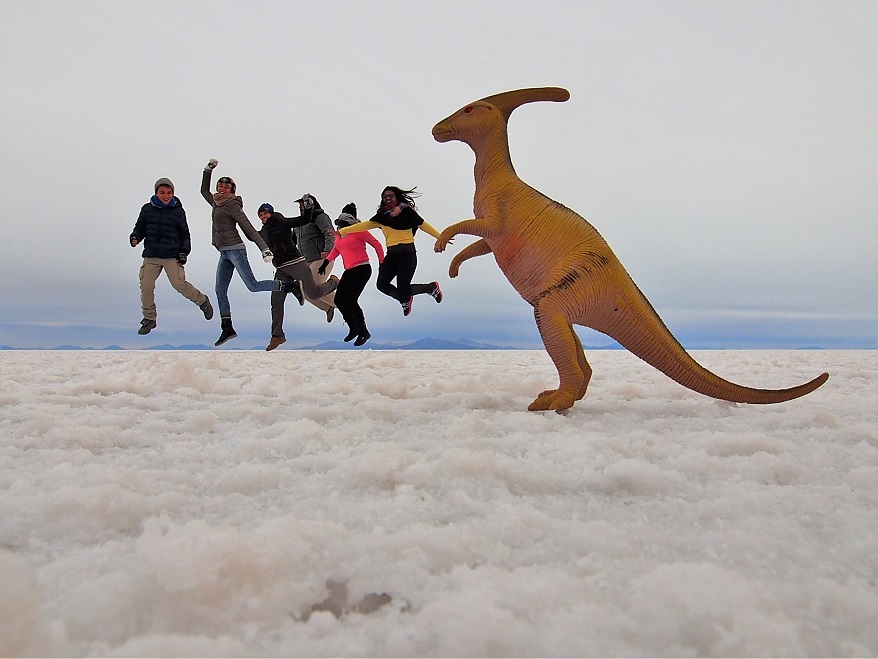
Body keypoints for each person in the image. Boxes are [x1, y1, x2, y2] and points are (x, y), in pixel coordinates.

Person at [201, 158, 277, 346]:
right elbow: (204, 190)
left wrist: (264, 249)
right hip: (224, 252)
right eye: (220, 185)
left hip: (236, 250)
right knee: (220, 289)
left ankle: (288, 286)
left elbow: (248, 228)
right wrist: (207, 170)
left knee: (253, 285)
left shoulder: (232, 204)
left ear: (232, 190)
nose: (221, 189)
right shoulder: (216, 202)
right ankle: (227, 328)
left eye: (226, 187)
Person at [337, 186, 443, 316]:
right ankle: (404, 299)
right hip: (392, 256)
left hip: (407, 255)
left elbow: (423, 225)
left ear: (396, 197)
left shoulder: (408, 213)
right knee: (382, 285)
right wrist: (341, 231)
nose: (387, 198)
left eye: (391, 195)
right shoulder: (382, 217)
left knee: (403, 288)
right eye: (385, 196)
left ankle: (431, 288)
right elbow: (362, 226)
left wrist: (441, 237)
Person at [130, 177, 213, 335]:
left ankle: (203, 301)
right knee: (146, 286)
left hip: (171, 255)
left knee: (179, 284)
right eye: (162, 192)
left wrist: (184, 251)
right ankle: (149, 319)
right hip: (151, 255)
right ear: (156, 193)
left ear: (173, 193)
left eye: (169, 192)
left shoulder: (178, 211)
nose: (166, 196)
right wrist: (135, 237)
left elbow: (185, 235)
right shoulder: (147, 209)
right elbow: (139, 228)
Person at [257, 203, 339, 351]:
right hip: (281, 267)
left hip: (296, 262)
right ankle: (277, 335)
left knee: (312, 293)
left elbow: (303, 220)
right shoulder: (264, 231)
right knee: (276, 299)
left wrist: (308, 209)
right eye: (260, 215)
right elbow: (253, 236)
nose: (263, 217)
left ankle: (333, 282)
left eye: (265, 213)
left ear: (271, 212)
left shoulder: (282, 221)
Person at [317, 203, 384, 346]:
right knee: (340, 300)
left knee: (351, 300)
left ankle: (363, 331)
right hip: (349, 270)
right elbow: (336, 250)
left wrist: (382, 263)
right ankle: (353, 328)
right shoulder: (339, 235)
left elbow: (377, 244)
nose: (340, 226)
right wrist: (326, 262)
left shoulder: (359, 230)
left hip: (362, 269)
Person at [292, 193, 337, 322]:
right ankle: (328, 307)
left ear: (310, 204)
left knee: (312, 286)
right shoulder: (299, 222)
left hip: (322, 257)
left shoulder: (319, 216)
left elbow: (329, 233)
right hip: (306, 261)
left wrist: (327, 250)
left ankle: (341, 297)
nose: (301, 206)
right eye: (300, 204)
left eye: (303, 203)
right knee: (302, 290)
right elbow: (291, 241)